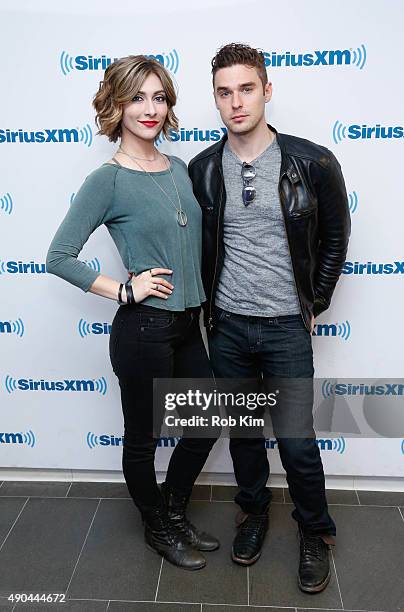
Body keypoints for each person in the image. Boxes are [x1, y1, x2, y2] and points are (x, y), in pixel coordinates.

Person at [46, 55, 220, 571]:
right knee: (142, 440)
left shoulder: (181, 169)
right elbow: (58, 256)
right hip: (144, 329)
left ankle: (172, 507)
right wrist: (124, 290)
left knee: (206, 423)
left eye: (159, 97)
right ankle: (156, 526)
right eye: (137, 98)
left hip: (190, 324)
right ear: (117, 106)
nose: (150, 109)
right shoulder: (109, 180)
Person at [188, 43, 351, 592]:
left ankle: (315, 530)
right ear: (215, 98)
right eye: (224, 92)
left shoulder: (312, 161)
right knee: (243, 436)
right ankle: (252, 512)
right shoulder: (204, 169)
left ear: (267, 89)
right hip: (229, 327)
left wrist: (316, 303)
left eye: (246, 88)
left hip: (285, 327)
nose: (236, 102)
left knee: (298, 440)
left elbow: (335, 240)